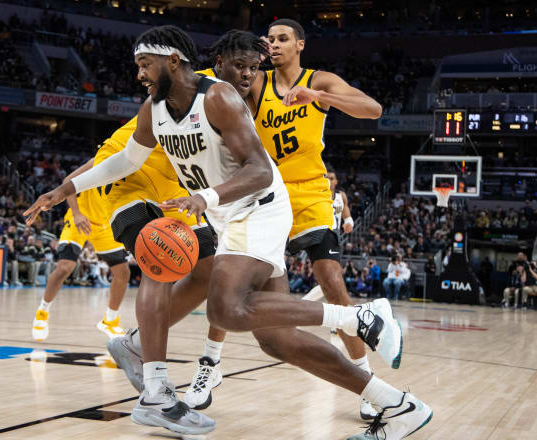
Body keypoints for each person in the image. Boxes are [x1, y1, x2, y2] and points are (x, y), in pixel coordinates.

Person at [24, 25, 427, 439]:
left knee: (224, 308)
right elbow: (125, 160)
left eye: (146, 64)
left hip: (258, 209)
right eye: (138, 65)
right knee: (276, 340)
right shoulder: (153, 108)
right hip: (228, 214)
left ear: (172, 61)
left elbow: (259, 170)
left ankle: (360, 317)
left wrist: (205, 199)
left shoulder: (217, 97)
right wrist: (65, 189)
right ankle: (397, 405)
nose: (140, 73)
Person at [249, 18, 388, 421]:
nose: (274, 45)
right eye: (269, 39)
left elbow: (373, 108)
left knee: (333, 285)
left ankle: (367, 382)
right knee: (235, 282)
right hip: (266, 193)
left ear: (300, 45)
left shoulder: (319, 81)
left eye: (282, 39)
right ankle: (209, 363)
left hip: (309, 192)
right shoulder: (256, 83)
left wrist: (318, 97)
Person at [31, 162, 131, 341]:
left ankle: (110, 320)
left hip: (104, 225)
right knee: (64, 267)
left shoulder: (134, 163)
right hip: (80, 217)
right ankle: (42, 311)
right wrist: (76, 213)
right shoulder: (101, 159)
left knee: (123, 273)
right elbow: (68, 180)